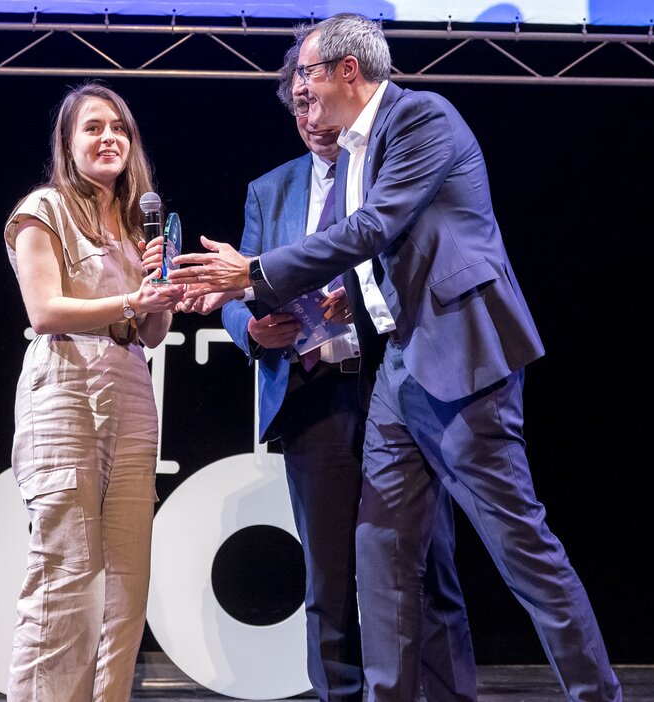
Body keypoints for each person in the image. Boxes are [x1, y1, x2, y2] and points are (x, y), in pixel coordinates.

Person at [170, 14, 622, 702]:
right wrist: (273, 302)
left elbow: (375, 226)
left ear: (348, 70)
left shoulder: (421, 119)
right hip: (400, 370)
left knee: (520, 549)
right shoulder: (350, 150)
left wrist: (254, 270)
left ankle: (598, 694)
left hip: (462, 361)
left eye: (308, 75)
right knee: (379, 555)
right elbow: (377, 255)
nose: (300, 90)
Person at [204, 50, 477, 702]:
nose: (309, 115)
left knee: (426, 565)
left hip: (397, 388)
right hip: (315, 399)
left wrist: (364, 293)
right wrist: (251, 329)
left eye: (317, 98)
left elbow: (432, 258)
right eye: (297, 104)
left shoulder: (390, 170)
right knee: (329, 583)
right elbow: (236, 292)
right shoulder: (269, 190)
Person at [2, 82, 183, 702]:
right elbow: (46, 311)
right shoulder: (42, 209)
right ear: (68, 143)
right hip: (65, 385)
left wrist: (161, 287)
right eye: (94, 128)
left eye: (120, 130)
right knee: (67, 582)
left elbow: (152, 332)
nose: (110, 138)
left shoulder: (139, 226)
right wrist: (135, 296)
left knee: (126, 589)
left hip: (131, 384)